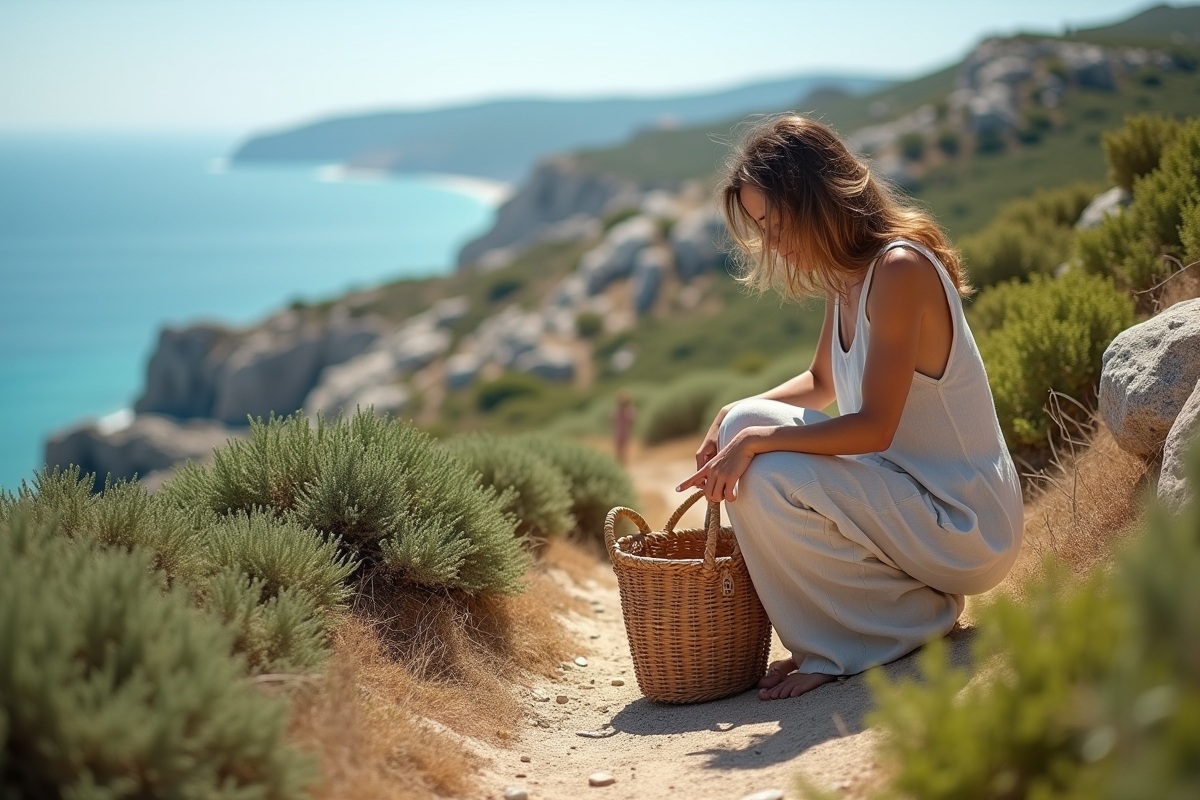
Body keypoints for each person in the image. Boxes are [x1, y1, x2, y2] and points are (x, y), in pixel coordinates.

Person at [676, 114, 1023, 701]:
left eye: (776, 221)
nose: (772, 242)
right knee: (745, 420)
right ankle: (860, 626)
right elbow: (819, 382)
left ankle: (863, 639)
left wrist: (757, 443)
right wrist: (733, 415)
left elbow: (874, 427)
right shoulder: (849, 277)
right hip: (910, 498)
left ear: (815, 198)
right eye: (760, 226)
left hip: (966, 522)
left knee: (768, 467)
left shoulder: (899, 269)